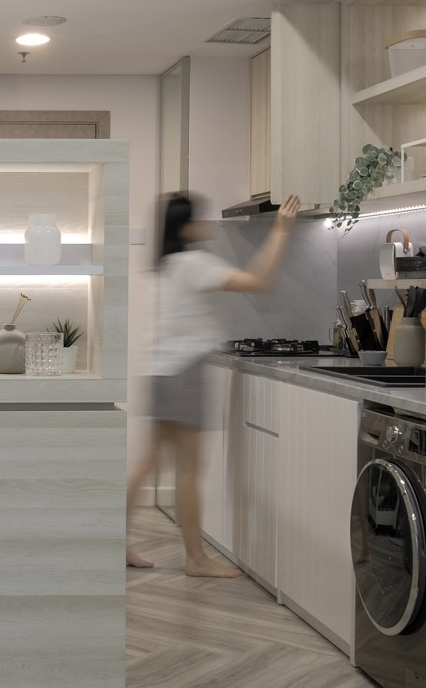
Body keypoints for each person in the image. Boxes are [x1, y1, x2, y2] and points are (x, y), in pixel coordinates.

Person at [127, 191, 302, 576]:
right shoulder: (194, 263)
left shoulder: (167, 265)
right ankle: (195, 559)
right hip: (184, 372)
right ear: (186, 226)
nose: (206, 225)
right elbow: (258, 280)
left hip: (160, 371)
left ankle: (117, 543)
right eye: (199, 219)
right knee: (189, 467)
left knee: (149, 462)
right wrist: (282, 228)